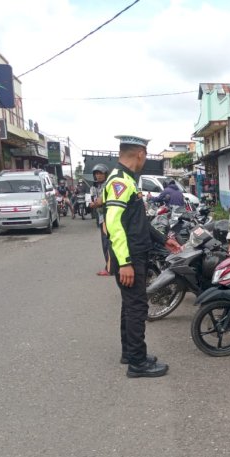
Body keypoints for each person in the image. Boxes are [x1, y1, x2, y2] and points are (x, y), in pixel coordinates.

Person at [104, 134, 181, 378]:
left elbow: (138, 222)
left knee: (130, 306)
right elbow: (114, 224)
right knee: (137, 308)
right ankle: (137, 363)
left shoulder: (127, 180)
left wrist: (162, 239)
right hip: (130, 258)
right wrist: (125, 263)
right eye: (145, 154)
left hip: (135, 254)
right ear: (139, 154)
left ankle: (130, 352)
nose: (145, 159)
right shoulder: (120, 182)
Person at [88, 164, 110, 276]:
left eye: (100, 173)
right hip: (102, 217)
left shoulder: (107, 185)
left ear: (105, 174)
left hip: (107, 218)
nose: (98, 175)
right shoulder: (97, 186)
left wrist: (94, 204)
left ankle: (109, 269)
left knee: (106, 243)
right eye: (96, 173)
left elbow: (100, 202)